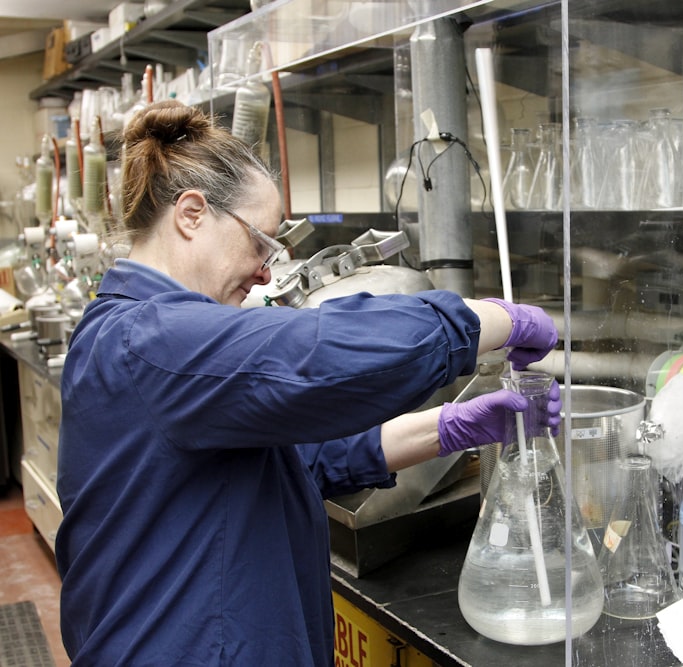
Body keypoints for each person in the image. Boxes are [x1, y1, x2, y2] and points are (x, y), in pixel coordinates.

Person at [55, 100, 562, 666]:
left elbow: (294, 462)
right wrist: (487, 320)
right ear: (192, 214)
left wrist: (451, 427)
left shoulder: (143, 338)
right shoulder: (149, 341)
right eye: (262, 242)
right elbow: (318, 356)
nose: (268, 271)